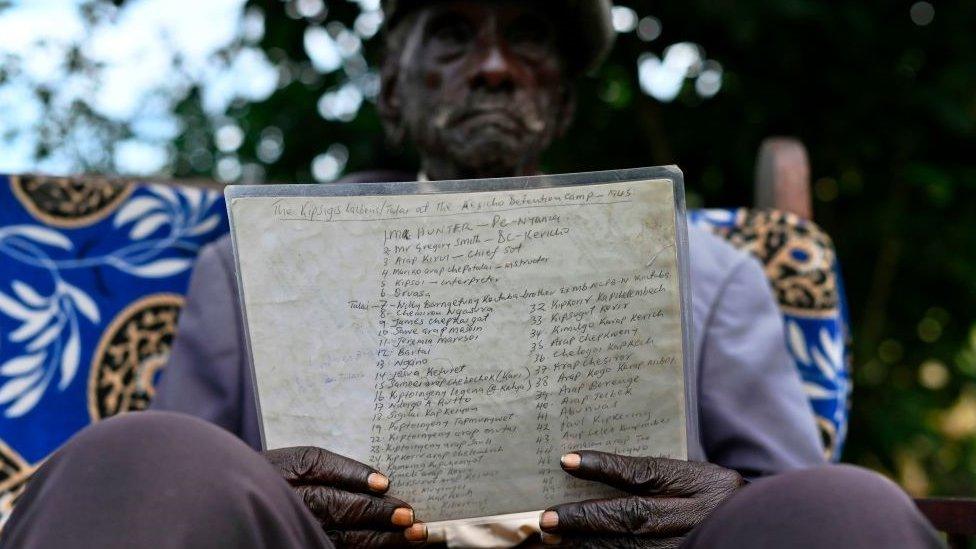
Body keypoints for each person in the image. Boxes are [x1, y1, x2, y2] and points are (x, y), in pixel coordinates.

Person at [1, 1, 942, 548]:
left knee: (848, 503)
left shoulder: (713, 274)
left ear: (562, 100)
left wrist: (710, 508)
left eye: (526, 39)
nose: (492, 67)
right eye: (452, 35)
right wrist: (278, 490)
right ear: (394, 93)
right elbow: (183, 491)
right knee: (143, 456)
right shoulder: (253, 261)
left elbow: (790, 500)